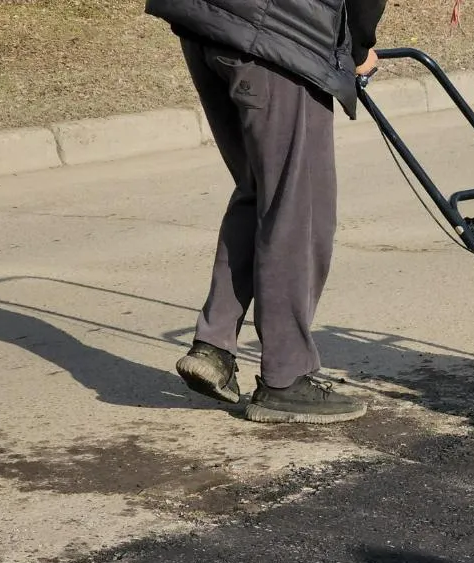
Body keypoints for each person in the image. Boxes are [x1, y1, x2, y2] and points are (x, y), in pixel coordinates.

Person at [143, 0, 386, 424]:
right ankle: (286, 378)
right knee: (297, 209)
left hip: (208, 23)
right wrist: (359, 48)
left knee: (262, 189)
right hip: (279, 34)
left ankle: (214, 347)